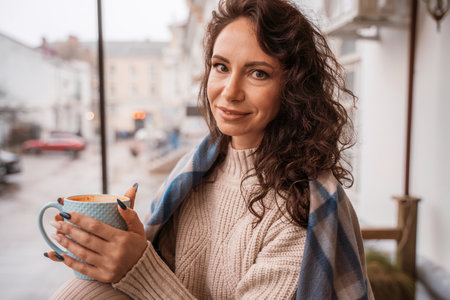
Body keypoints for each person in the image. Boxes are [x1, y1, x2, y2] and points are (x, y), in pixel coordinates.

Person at [45, 0, 373, 299]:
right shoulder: (193, 172)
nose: (229, 92)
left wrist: (138, 268)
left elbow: (147, 277)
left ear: (293, 87)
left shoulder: (302, 206)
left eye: (258, 73)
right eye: (221, 66)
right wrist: (127, 246)